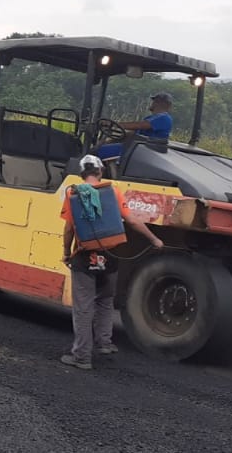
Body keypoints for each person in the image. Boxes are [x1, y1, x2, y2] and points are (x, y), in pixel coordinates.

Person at [59, 154, 164, 370]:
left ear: (81, 174)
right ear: (100, 172)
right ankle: (104, 344)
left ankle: (81, 356)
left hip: (83, 257)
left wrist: (66, 252)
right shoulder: (113, 191)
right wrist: (154, 239)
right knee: (105, 300)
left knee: (83, 308)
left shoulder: (73, 194)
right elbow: (132, 220)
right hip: (110, 257)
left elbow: (69, 228)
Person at [97, 93, 174, 161]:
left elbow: (139, 125)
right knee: (105, 147)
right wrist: (114, 139)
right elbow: (136, 132)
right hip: (137, 148)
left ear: (159, 103)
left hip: (141, 151)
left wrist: (113, 124)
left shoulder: (163, 118)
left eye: (154, 101)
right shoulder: (153, 118)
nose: (152, 103)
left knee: (96, 152)